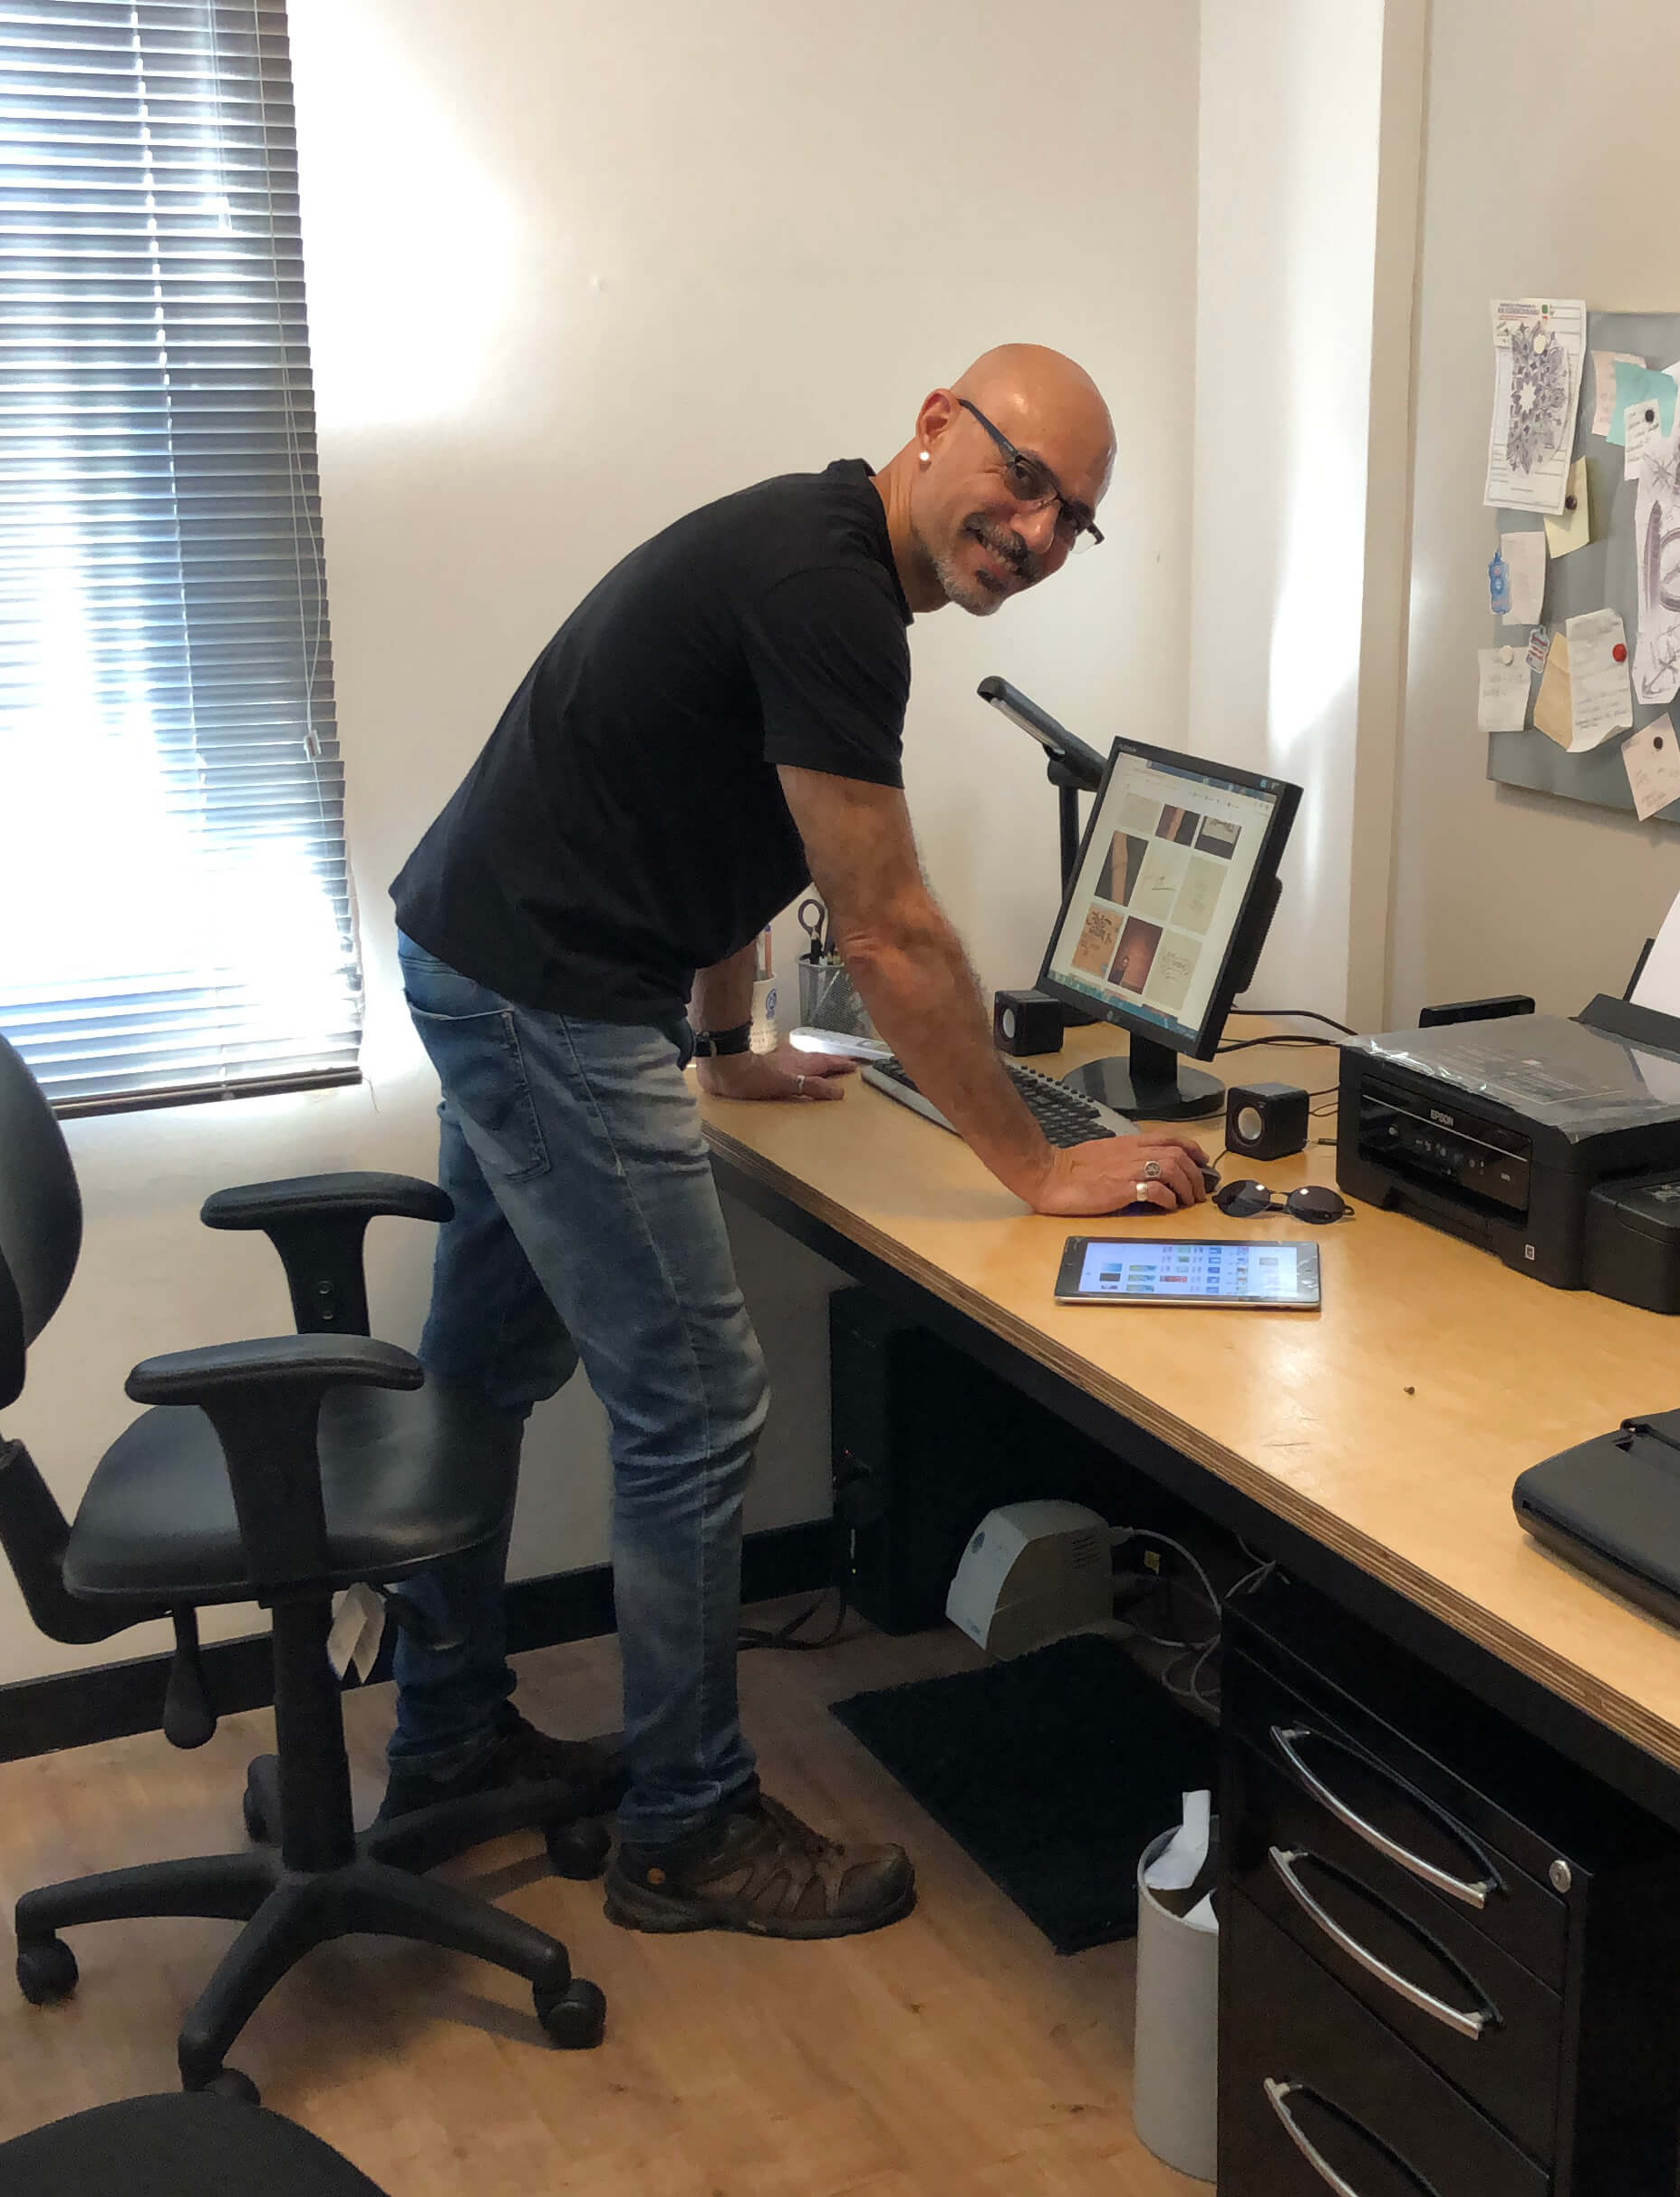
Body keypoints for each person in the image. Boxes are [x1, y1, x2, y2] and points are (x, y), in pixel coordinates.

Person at [381, 344, 1211, 1940]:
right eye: (1025, 479)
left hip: (491, 957)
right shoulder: (831, 597)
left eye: (1074, 519)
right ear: (934, 426)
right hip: (547, 993)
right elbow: (885, 929)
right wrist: (1039, 1167)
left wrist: (723, 1045)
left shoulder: (813, 559)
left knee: (483, 1371)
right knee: (695, 1407)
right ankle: (688, 1828)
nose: (1039, 534)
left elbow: (727, 824)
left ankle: (445, 1739)